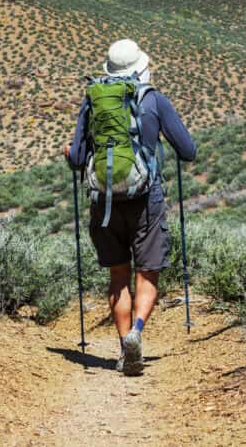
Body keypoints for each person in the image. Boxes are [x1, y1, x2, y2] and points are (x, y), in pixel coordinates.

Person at [63, 39, 196, 375]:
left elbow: (78, 158)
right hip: (145, 200)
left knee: (118, 275)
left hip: (104, 202)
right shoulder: (153, 100)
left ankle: (125, 349)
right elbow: (188, 151)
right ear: (141, 67)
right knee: (146, 273)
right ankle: (137, 330)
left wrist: (69, 154)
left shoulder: (93, 103)